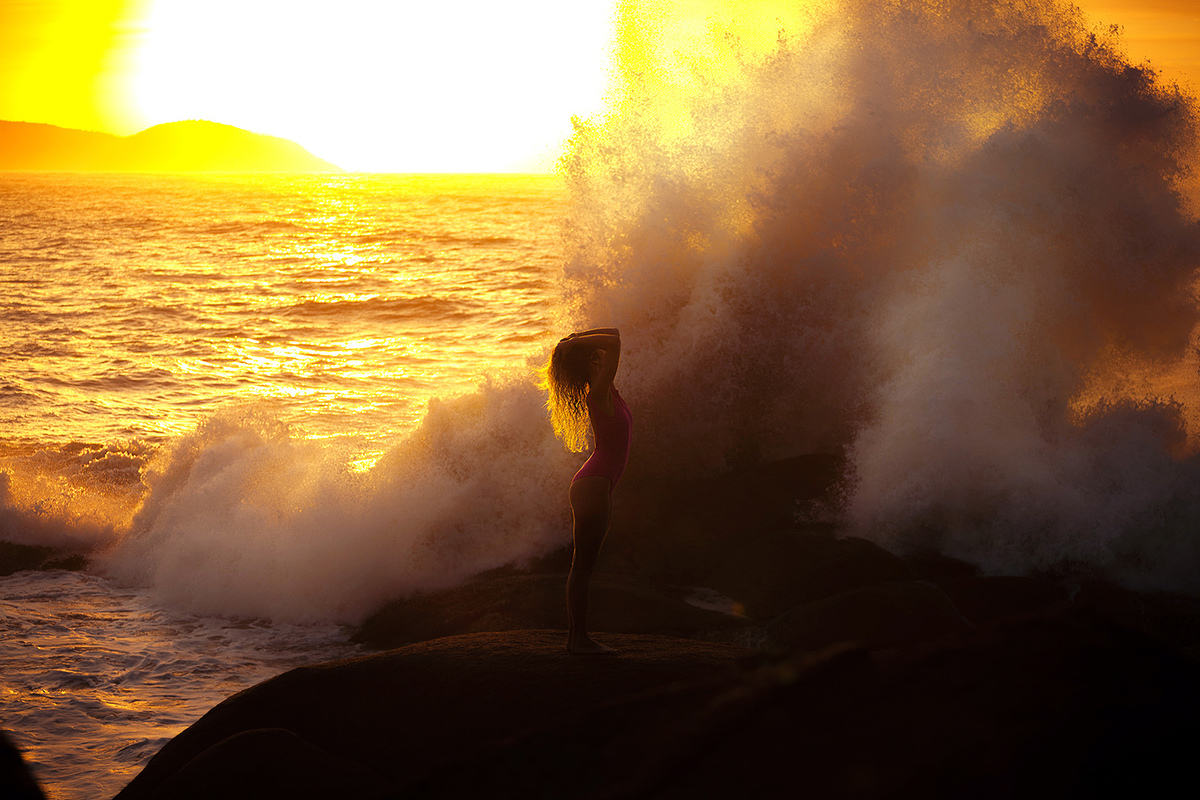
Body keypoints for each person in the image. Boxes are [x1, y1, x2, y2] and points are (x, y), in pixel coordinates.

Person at [544, 327, 631, 654]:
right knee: (583, 567)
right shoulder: (598, 393)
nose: (602, 358)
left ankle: (575, 639)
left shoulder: (608, 391)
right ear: (590, 365)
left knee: (583, 566)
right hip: (593, 485)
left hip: (596, 484)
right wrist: (573, 345)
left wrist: (572, 341)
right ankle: (578, 640)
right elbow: (615, 343)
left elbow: (613, 333)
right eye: (595, 358)